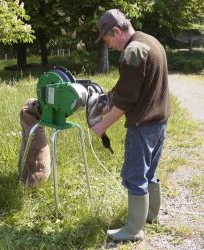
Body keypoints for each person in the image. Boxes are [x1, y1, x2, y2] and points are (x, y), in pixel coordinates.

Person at [93, 9, 171, 242]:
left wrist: (102, 126)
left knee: (135, 175)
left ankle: (134, 229)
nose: (110, 46)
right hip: (160, 121)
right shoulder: (149, 41)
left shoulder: (132, 52)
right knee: (150, 172)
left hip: (143, 125)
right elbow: (132, 85)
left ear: (117, 31)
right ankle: (151, 215)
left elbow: (127, 102)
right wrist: (109, 99)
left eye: (108, 41)